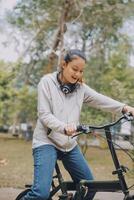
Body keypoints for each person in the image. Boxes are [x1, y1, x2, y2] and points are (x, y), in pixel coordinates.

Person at [22, 49, 134, 200]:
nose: (78, 74)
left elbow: (100, 99)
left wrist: (124, 107)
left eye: (81, 71)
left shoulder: (80, 88)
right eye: (75, 69)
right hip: (46, 142)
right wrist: (63, 127)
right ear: (64, 64)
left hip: (69, 144)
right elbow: (44, 115)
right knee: (41, 194)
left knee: (89, 187)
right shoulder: (47, 82)